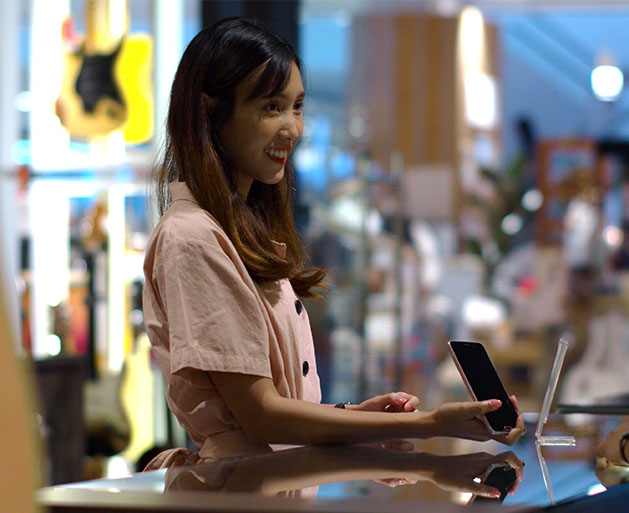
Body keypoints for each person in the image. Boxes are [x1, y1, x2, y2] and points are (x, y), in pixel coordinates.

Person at [142, 17, 524, 469]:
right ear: (210, 112)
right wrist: (429, 423)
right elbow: (261, 416)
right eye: (270, 107)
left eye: (297, 106)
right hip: (240, 491)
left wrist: (351, 415)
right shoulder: (193, 237)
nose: (292, 129)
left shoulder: (238, 230)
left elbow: (272, 411)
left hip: (273, 483)